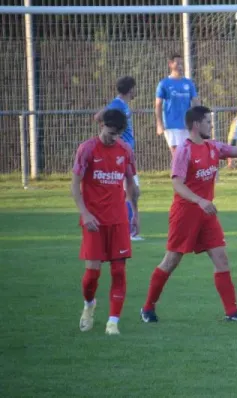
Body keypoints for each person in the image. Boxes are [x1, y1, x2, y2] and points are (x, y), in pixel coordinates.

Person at [140, 106, 237, 323]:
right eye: (208, 121)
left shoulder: (213, 146)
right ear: (196, 124)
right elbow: (176, 182)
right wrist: (199, 200)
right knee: (171, 260)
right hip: (185, 213)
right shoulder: (184, 151)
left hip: (207, 214)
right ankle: (148, 307)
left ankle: (232, 312)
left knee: (221, 259)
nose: (211, 125)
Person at [72, 109, 140, 336]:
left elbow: (131, 184)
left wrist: (135, 213)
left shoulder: (125, 150)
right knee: (92, 274)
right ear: (102, 126)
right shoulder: (87, 149)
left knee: (119, 271)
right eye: (110, 133)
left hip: (119, 219)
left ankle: (113, 322)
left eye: (117, 134)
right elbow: (75, 186)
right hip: (94, 222)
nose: (113, 138)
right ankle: (89, 305)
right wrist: (85, 214)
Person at [94, 76, 143, 241]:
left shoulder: (122, 105)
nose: (136, 91)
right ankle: (128, 231)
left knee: (130, 191)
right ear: (131, 89)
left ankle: (126, 229)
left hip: (126, 152)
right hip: (121, 154)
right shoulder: (117, 105)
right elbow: (98, 117)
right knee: (131, 191)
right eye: (134, 88)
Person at [155, 53, 201, 157]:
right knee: (177, 154)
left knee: (188, 154)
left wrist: (198, 118)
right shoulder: (164, 83)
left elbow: (195, 101)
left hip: (186, 124)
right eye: (178, 63)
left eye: (182, 63)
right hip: (171, 125)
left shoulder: (189, 83)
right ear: (170, 64)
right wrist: (159, 124)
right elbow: (158, 104)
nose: (180, 65)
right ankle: (177, 173)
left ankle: (185, 173)